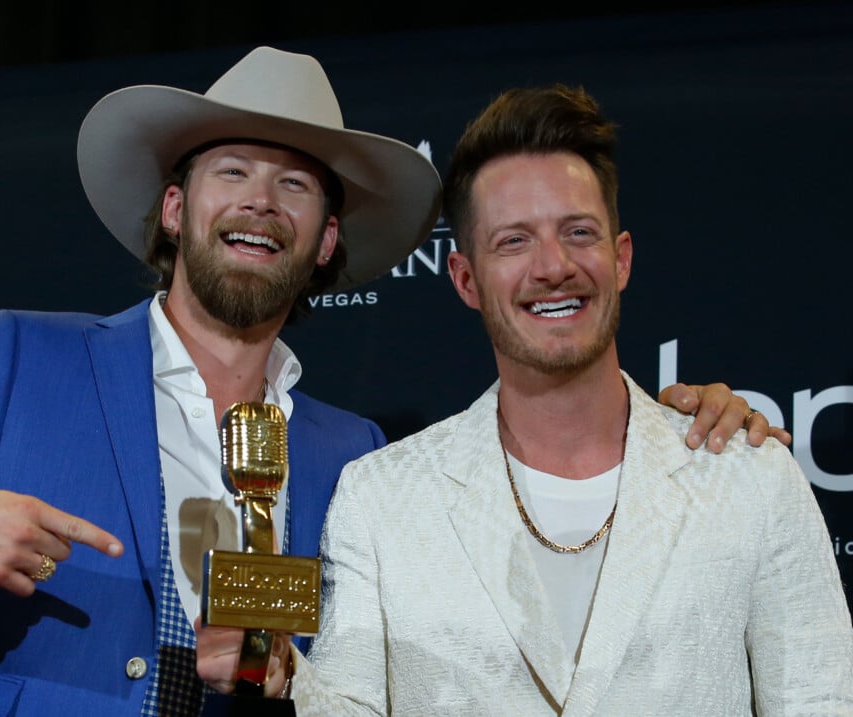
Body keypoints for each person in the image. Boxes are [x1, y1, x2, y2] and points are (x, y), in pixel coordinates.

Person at [0, 44, 780, 717]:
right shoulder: (26, 358)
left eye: (294, 184)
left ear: (325, 238)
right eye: (230, 170)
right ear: (173, 209)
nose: (257, 200)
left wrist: (681, 433)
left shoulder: (356, 455)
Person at [195, 83, 853, 714]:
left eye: (578, 233)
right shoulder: (381, 497)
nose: (552, 266)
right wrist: (280, 671)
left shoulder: (750, 477)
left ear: (620, 259)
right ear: (465, 278)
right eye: (514, 240)